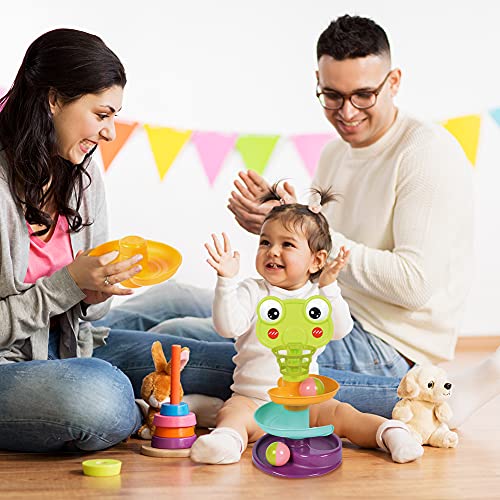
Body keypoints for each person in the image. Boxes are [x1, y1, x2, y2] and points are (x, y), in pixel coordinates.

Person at [96, 14, 500, 427]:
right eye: (332, 95)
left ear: (394, 81)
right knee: (173, 297)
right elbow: (311, 261)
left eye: (363, 95)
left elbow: (413, 285)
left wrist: (310, 243)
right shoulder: (335, 153)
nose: (347, 112)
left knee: (181, 331)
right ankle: (72, 336)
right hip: (316, 304)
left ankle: (77, 362)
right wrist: (277, 226)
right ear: (318, 81)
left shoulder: (426, 155)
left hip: (384, 344)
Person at [0, 28, 237, 453]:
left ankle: (390, 396)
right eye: (102, 114)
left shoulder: (80, 166)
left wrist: (94, 291)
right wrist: (69, 284)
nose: (110, 132)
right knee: (101, 398)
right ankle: (146, 404)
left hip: (72, 344)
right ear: (54, 100)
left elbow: (92, 313)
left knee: (232, 362)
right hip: (10, 365)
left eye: (115, 117)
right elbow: (59, 291)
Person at [189, 186, 423, 465]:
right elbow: (228, 327)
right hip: (254, 401)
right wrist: (226, 281)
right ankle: (226, 442)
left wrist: (330, 288)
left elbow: (340, 330)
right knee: (232, 413)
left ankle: (391, 433)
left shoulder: (318, 298)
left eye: (287, 244)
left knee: (346, 415)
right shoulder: (253, 291)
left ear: (317, 260)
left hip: (306, 404)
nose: (272, 251)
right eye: (265, 242)